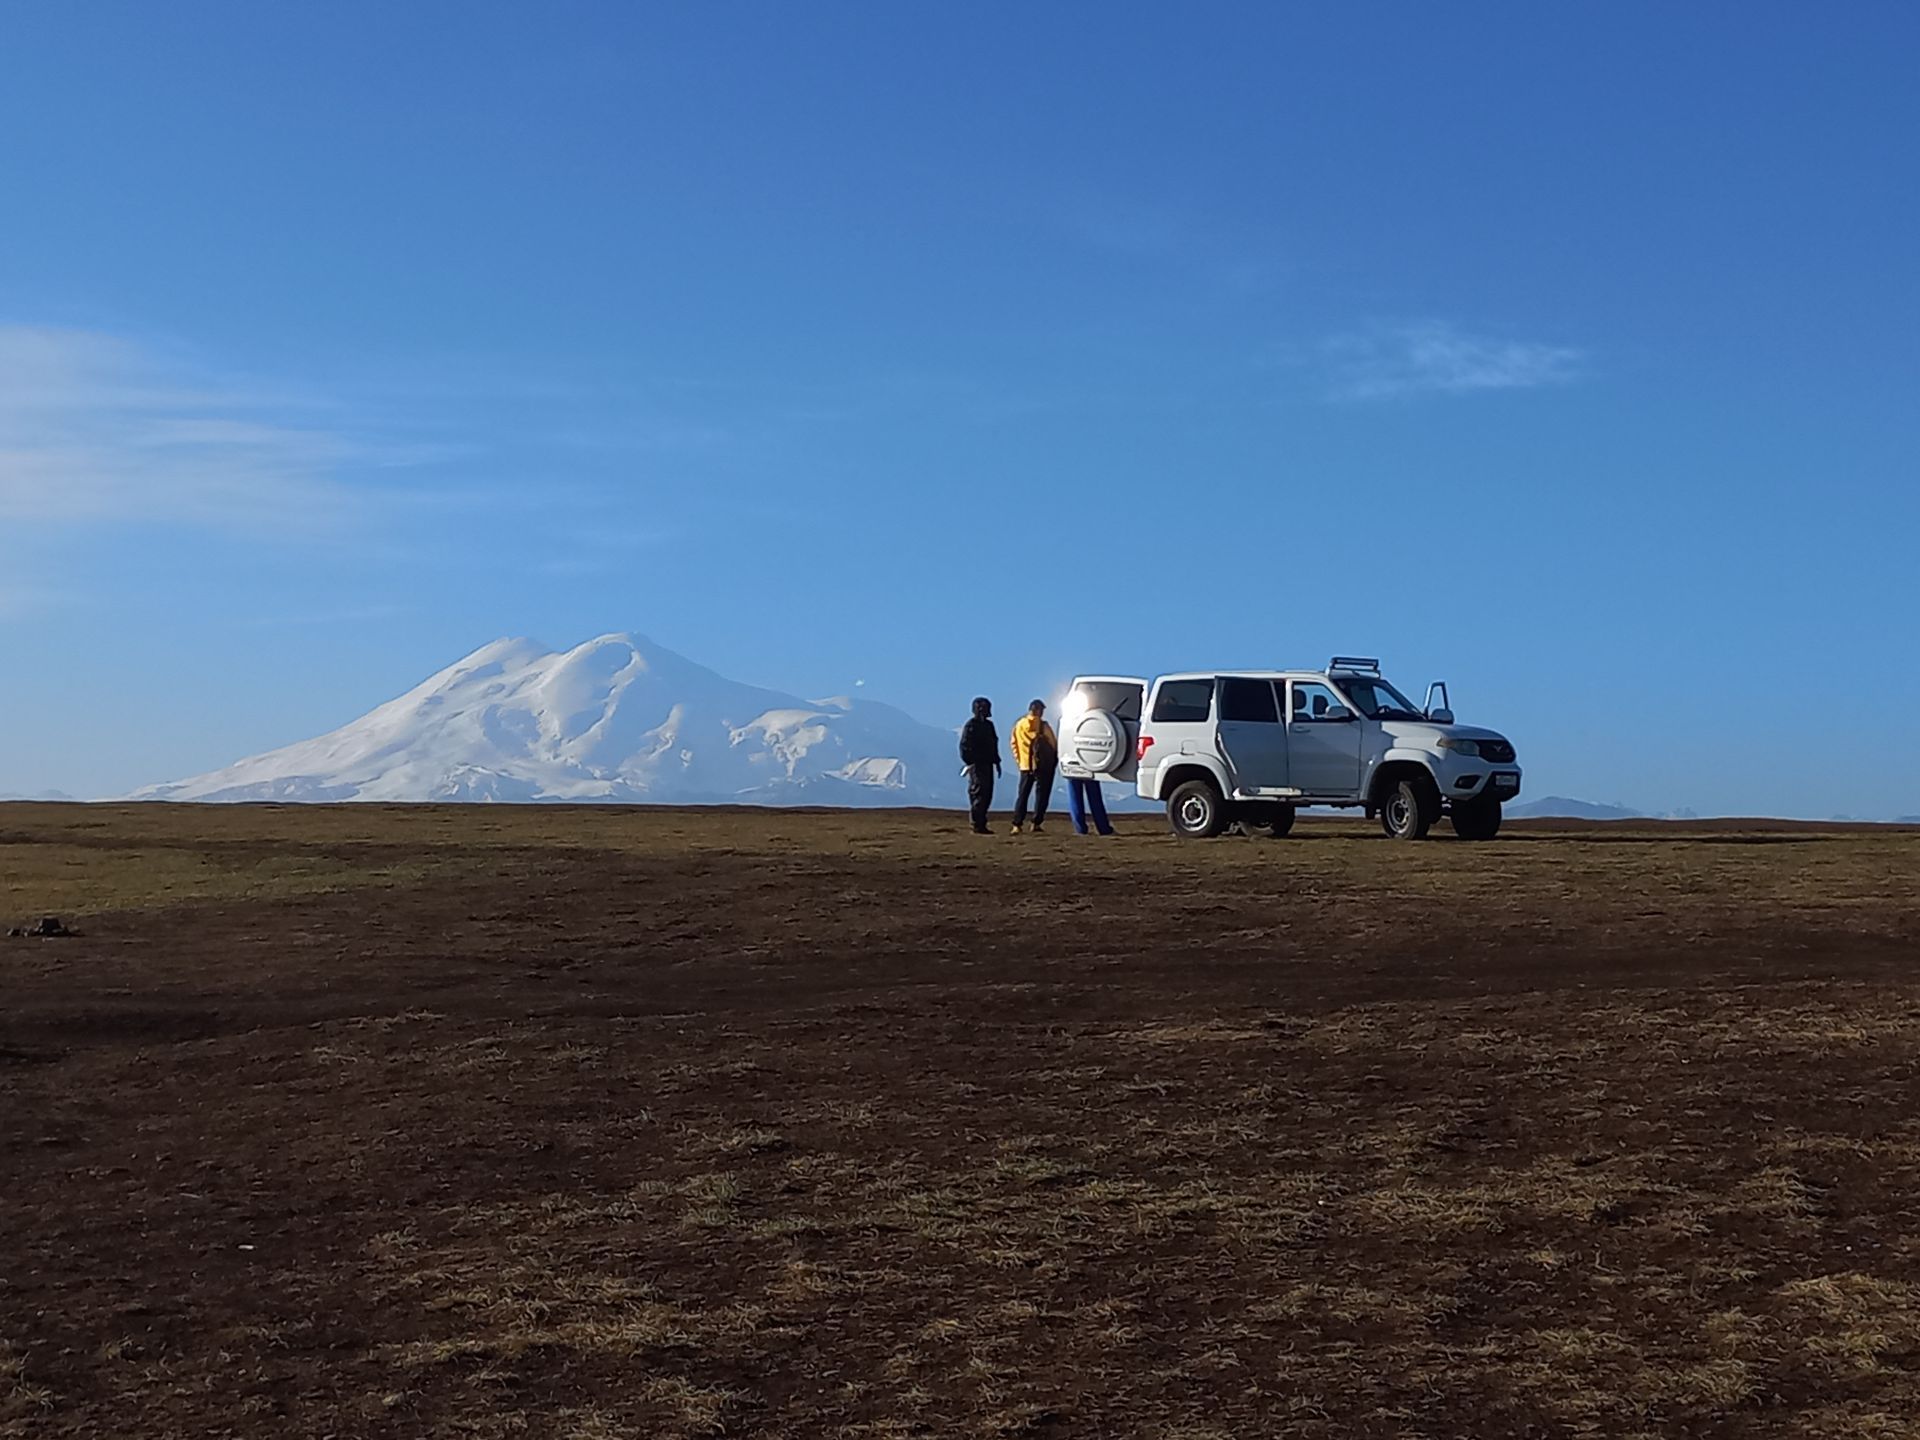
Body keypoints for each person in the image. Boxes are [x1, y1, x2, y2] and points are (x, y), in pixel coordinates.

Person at [1008, 699, 1059, 834]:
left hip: (1025, 765)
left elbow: (1014, 744)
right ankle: (1036, 823)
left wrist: (1020, 761)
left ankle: (1017, 824)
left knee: (1022, 795)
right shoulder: (1043, 726)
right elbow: (1053, 744)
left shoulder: (1019, 725)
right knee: (1042, 795)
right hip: (1042, 766)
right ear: (1039, 710)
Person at [958, 696, 1001, 835]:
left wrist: (996, 761)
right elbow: (964, 745)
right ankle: (976, 824)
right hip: (977, 764)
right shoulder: (971, 725)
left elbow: (994, 744)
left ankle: (981, 822)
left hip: (988, 764)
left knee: (987, 794)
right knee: (978, 792)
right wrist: (969, 762)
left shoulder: (989, 726)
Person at [1067, 771, 1115, 837]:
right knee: (1094, 796)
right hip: (1089, 766)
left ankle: (1080, 829)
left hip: (1070, 766)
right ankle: (1103, 828)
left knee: (1075, 796)